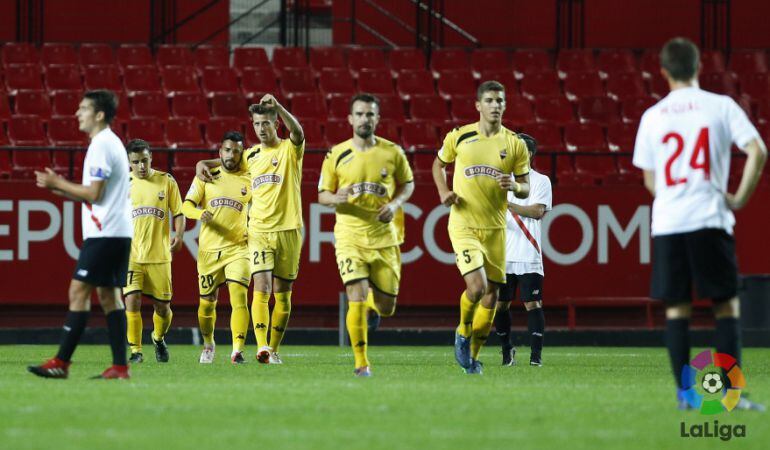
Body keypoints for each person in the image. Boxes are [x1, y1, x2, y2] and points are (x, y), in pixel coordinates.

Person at [632, 37, 767, 410]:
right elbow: (758, 149)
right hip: (709, 218)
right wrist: (738, 197)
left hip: (669, 223)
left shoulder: (653, 116)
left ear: (662, 72)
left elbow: (649, 179)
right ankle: (730, 395)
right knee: (725, 307)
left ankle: (686, 395)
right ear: (698, 67)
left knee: (677, 310)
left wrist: (674, 195)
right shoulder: (720, 106)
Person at [28, 90, 133, 379]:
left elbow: (94, 195)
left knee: (78, 291)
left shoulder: (101, 145)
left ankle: (61, 362)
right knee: (110, 297)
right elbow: (95, 196)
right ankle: (120, 367)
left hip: (106, 233)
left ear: (99, 114)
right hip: (116, 231)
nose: (77, 113)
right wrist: (57, 188)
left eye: (84, 108)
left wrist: (58, 181)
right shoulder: (109, 142)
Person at [432, 80, 531, 375]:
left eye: (500, 100)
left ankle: (471, 358)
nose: (495, 105)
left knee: (494, 297)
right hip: (464, 223)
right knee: (477, 287)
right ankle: (462, 332)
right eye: (489, 100)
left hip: (496, 228)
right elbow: (438, 165)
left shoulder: (515, 144)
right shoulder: (460, 137)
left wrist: (514, 185)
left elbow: (525, 187)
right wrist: (442, 192)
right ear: (478, 105)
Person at [197, 94, 304, 364]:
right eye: (257, 124)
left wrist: (279, 107)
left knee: (283, 293)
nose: (261, 128)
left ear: (276, 124)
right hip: (258, 230)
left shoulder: (289, 149)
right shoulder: (251, 155)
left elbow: (298, 132)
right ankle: (263, 346)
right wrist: (202, 164)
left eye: (266, 123)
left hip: (289, 228)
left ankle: (275, 349)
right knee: (262, 286)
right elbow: (226, 162)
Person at [318, 93, 414, 377]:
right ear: (350, 119)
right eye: (359, 114)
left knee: (387, 307)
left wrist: (394, 204)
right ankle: (361, 363)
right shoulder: (336, 154)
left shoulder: (393, 152)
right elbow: (322, 195)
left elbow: (407, 184)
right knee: (355, 294)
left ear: (377, 119)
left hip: (385, 237)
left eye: (370, 114)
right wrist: (336, 197)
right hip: (350, 237)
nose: (364, 119)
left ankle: (374, 307)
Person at [183, 132, 252, 364]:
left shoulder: (250, 177)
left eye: (236, 151)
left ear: (241, 153)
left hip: (238, 248)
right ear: (220, 151)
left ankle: (237, 350)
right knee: (206, 304)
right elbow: (186, 206)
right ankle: (208, 343)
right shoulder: (206, 175)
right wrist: (199, 213)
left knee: (239, 297)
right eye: (227, 150)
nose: (231, 155)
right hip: (209, 251)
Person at [123, 139, 185, 364]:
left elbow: (178, 212)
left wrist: (179, 235)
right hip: (132, 256)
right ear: (129, 163)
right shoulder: (123, 183)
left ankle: (158, 338)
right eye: (135, 162)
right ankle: (136, 351)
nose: (141, 166)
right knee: (132, 300)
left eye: (144, 160)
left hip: (159, 256)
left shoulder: (166, 181)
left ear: (151, 159)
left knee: (163, 307)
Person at [493, 133, 551, 367]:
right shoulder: (498, 179)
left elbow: (537, 211)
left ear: (530, 154)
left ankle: (535, 357)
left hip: (528, 252)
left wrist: (507, 203)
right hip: (502, 254)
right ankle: (507, 351)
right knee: (500, 304)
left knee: (532, 304)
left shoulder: (540, 181)